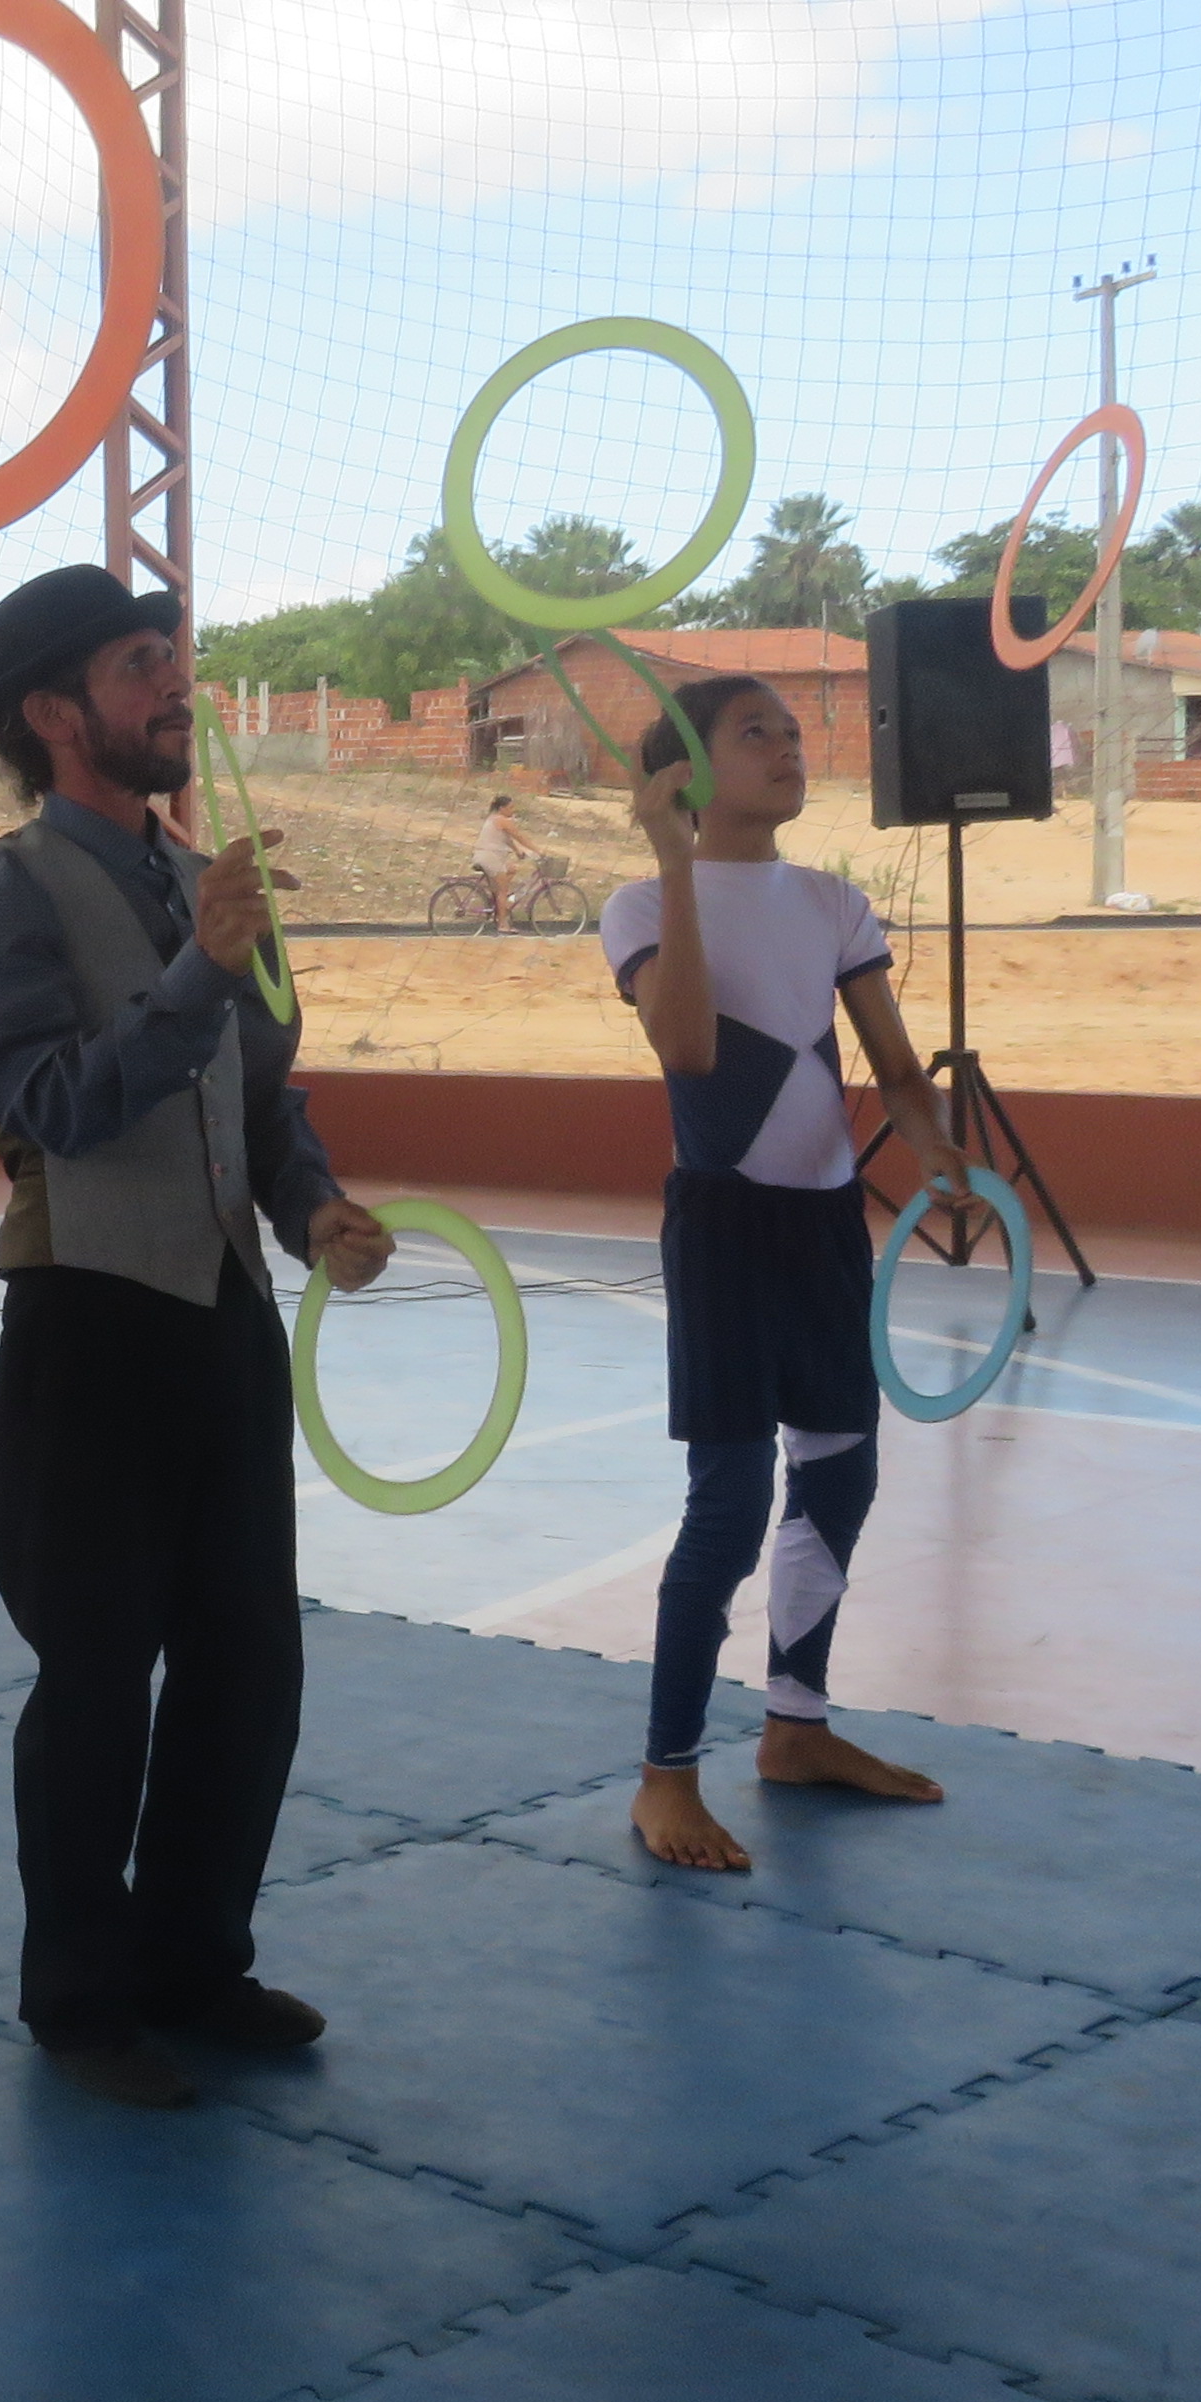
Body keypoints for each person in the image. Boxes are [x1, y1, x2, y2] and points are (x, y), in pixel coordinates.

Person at [0, 565, 395, 2112]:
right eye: (140, 665)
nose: (175, 685)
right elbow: (51, 1106)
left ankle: (197, 1962)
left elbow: (259, 1102)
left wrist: (313, 1206)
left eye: (169, 659)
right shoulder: (1, 894)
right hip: (91, 1324)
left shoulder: (204, 877)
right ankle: (79, 2000)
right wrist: (200, 965)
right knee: (96, 1675)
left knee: (248, 1662)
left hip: (224, 1320)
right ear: (55, 715)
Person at [600, 679, 964, 1872]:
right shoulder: (637, 906)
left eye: (793, 731)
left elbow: (894, 1067)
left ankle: (796, 1729)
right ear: (686, 773)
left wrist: (937, 1147)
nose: (788, 747)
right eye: (753, 732)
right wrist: (675, 862)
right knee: (729, 1505)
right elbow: (690, 1046)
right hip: (725, 1228)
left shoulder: (834, 902)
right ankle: (665, 1776)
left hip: (826, 1228)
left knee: (841, 1473)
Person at [470, 788, 527, 925]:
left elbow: (507, 839)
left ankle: (496, 900)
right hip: (490, 858)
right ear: (502, 808)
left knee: (512, 869)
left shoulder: (493, 818)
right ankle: (502, 924)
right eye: (510, 807)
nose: (513, 810)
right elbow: (519, 836)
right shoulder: (502, 820)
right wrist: (538, 850)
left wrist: (517, 851)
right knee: (503, 891)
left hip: (483, 856)